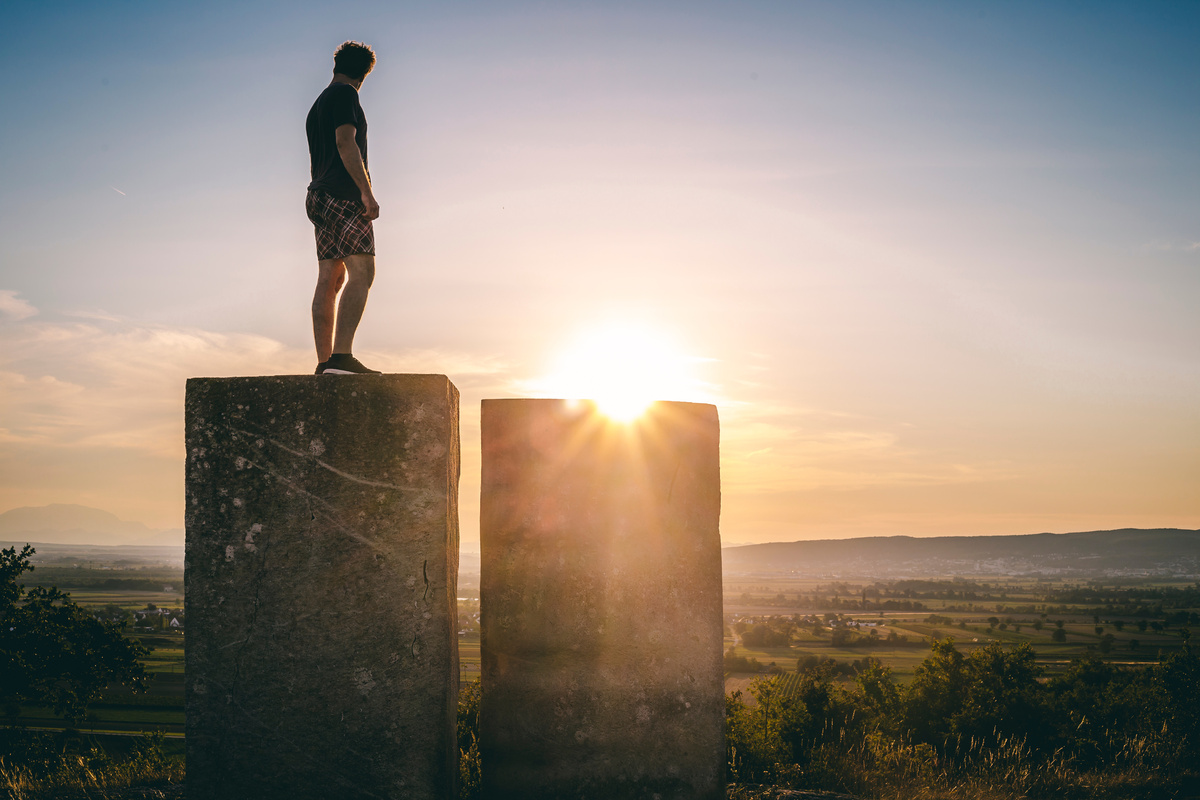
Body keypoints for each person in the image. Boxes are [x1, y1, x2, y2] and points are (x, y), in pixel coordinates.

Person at [305, 41, 382, 374]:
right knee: (362, 273)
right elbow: (344, 141)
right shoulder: (346, 95)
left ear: (336, 64)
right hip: (343, 194)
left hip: (318, 195)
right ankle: (341, 357)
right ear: (365, 73)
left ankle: (326, 364)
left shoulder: (318, 103)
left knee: (330, 278)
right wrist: (366, 192)